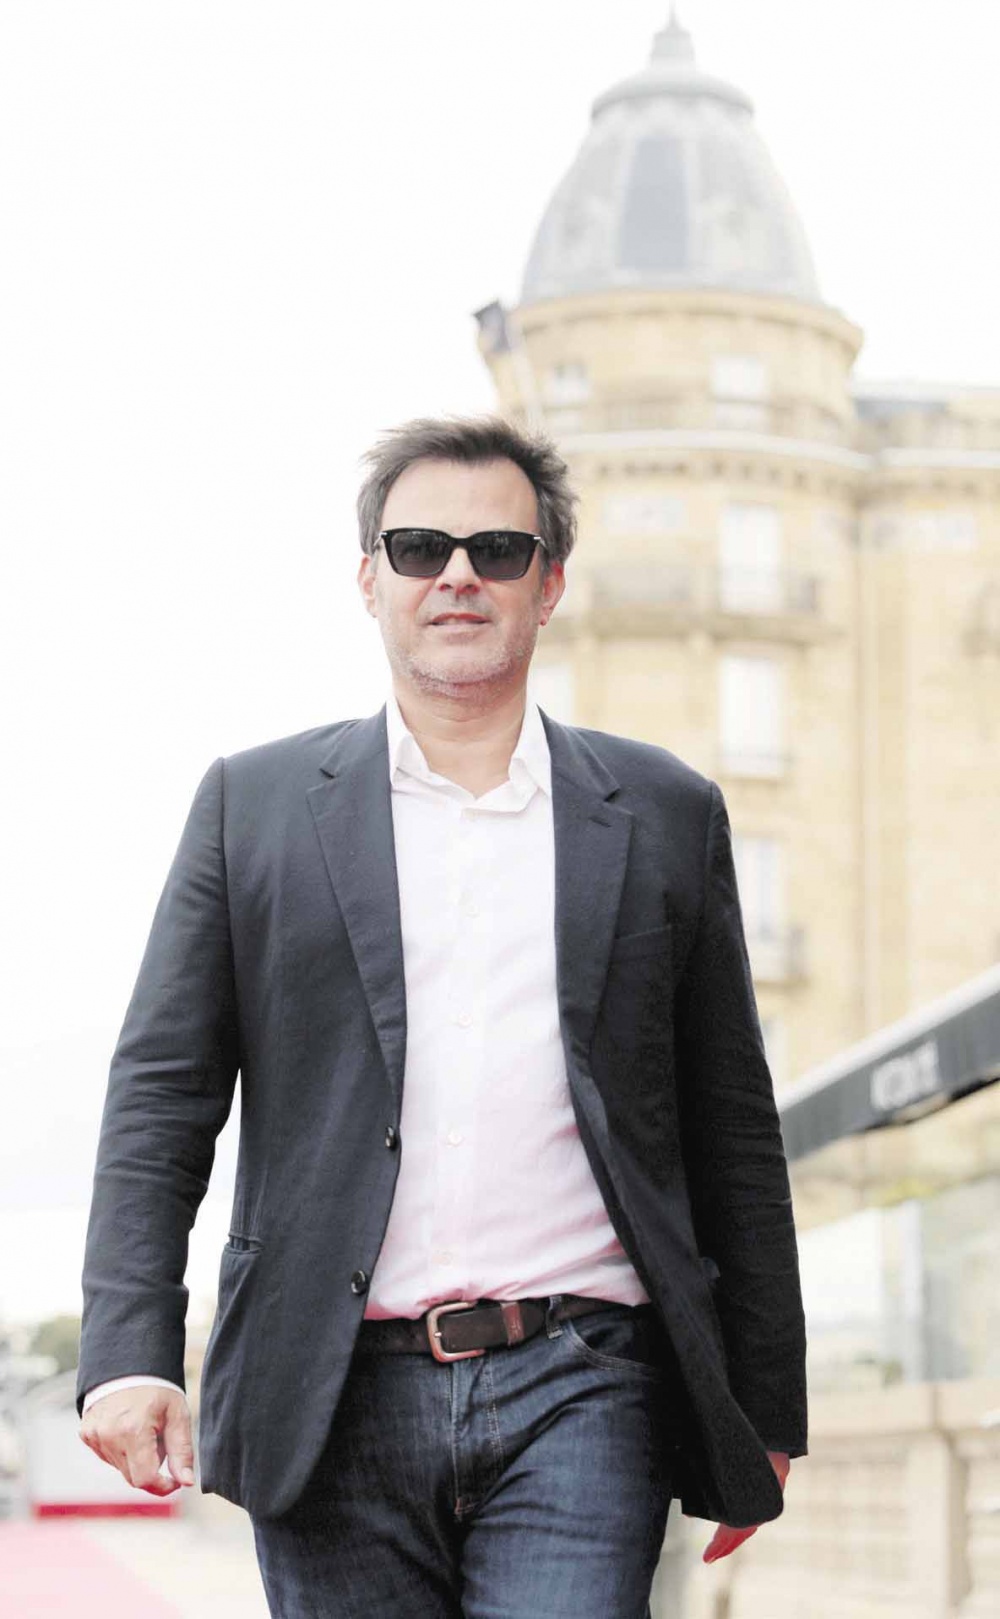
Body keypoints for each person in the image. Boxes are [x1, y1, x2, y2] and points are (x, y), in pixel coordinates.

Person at [78, 416, 806, 1618]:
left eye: (497, 550)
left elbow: (732, 1123)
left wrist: (764, 1405)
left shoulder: (664, 811)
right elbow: (161, 1096)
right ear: (370, 579)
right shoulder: (253, 806)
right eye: (420, 547)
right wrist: (127, 1349)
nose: (457, 574)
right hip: (327, 1390)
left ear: (548, 584)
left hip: (586, 1377)